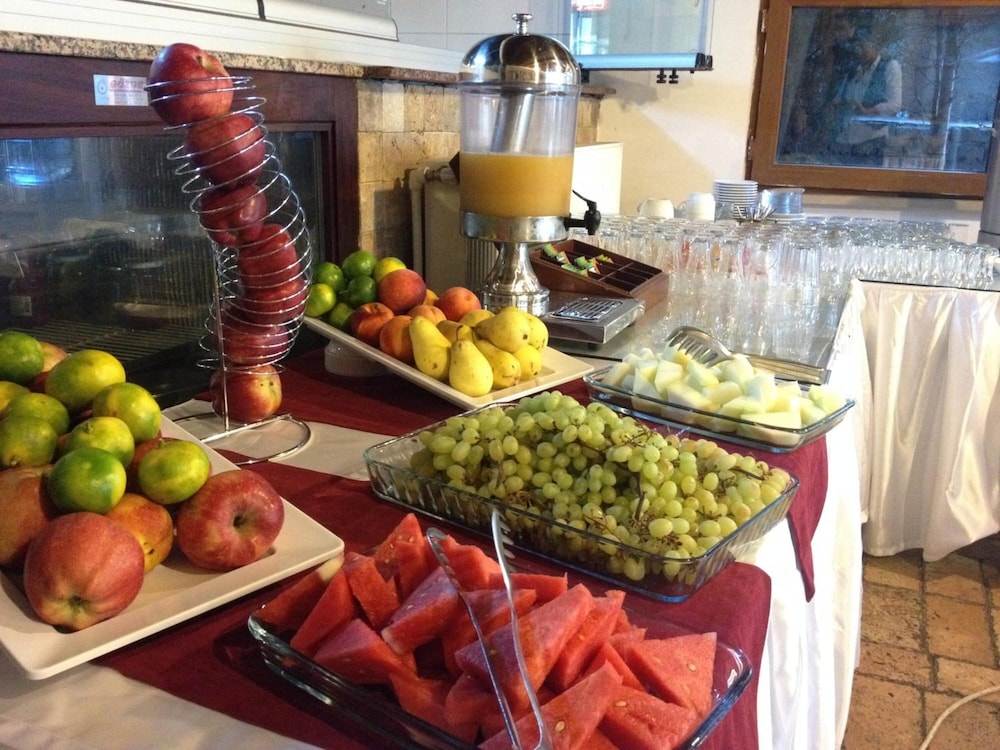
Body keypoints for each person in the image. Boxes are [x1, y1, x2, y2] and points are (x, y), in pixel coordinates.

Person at [829, 29, 903, 166]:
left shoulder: (890, 66)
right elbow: (838, 99)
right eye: (857, 47)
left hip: (871, 142)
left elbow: (895, 105)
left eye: (863, 46)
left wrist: (868, 111)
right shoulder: (853, 69)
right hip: (844, 141)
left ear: (875, 46)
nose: (859, 51)